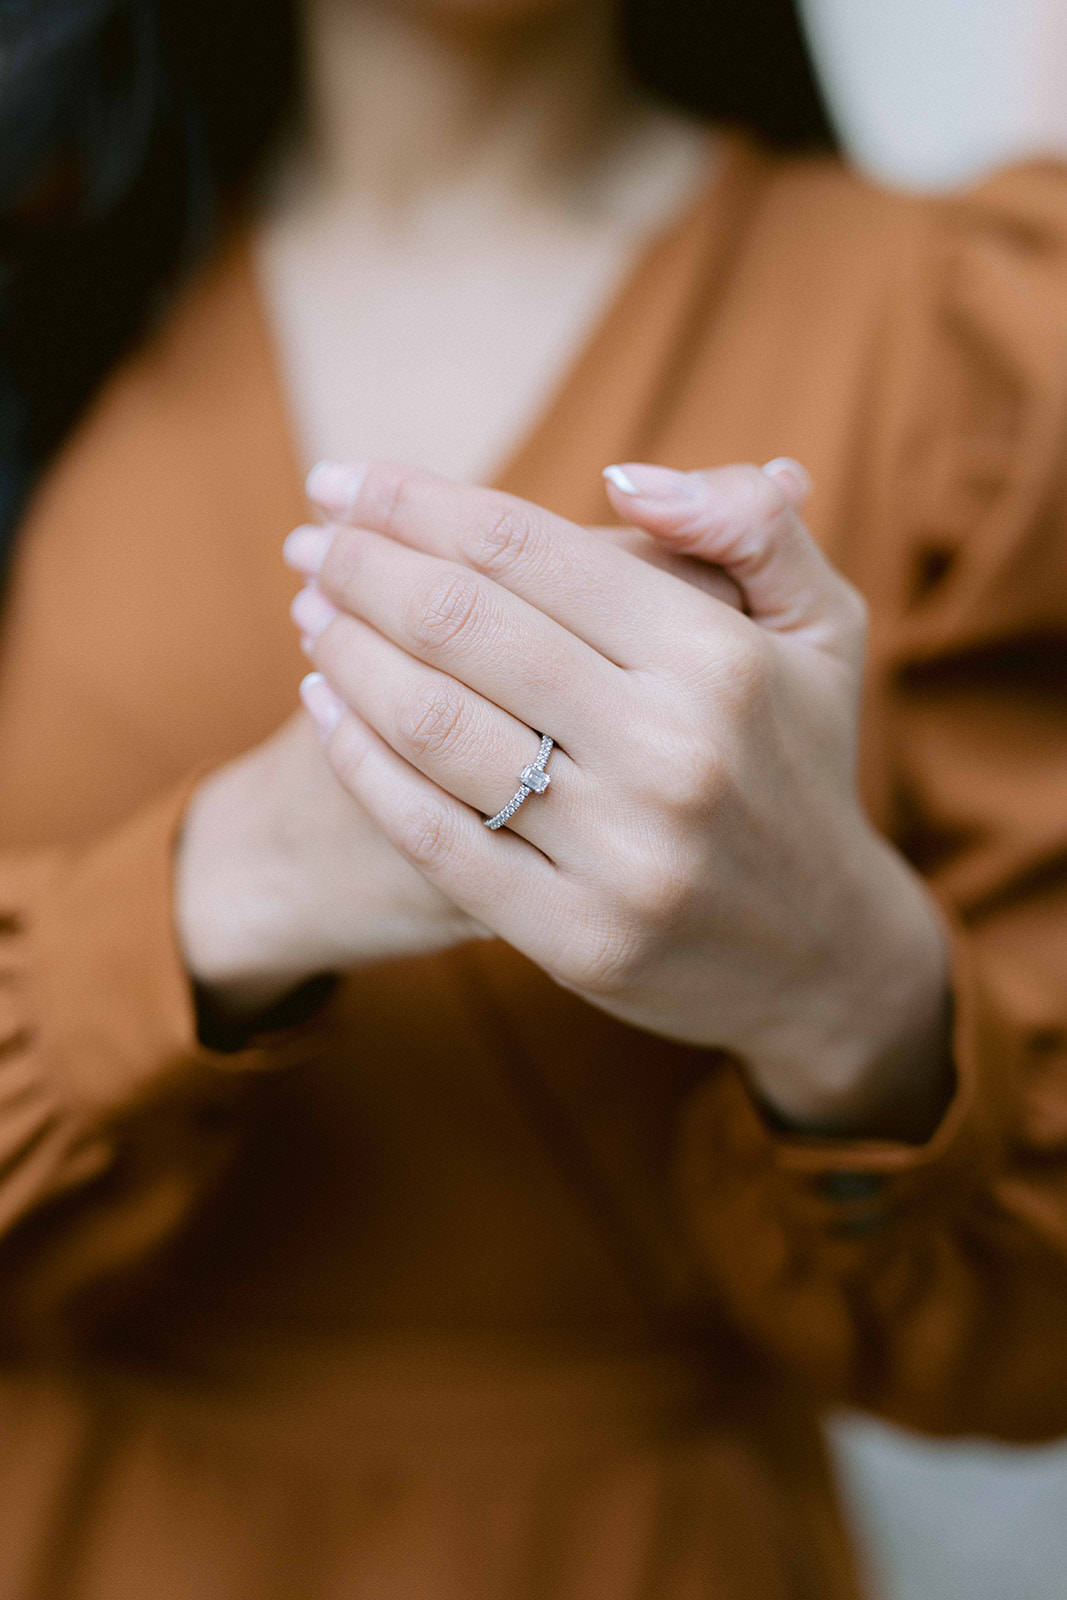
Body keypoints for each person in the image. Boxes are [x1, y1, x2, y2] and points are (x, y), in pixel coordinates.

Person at [0, 0, 1065, 1595]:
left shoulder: (970, 334)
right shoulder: (47, 272)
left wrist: (846, 977)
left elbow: (1036, 1345)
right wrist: (230, 879)